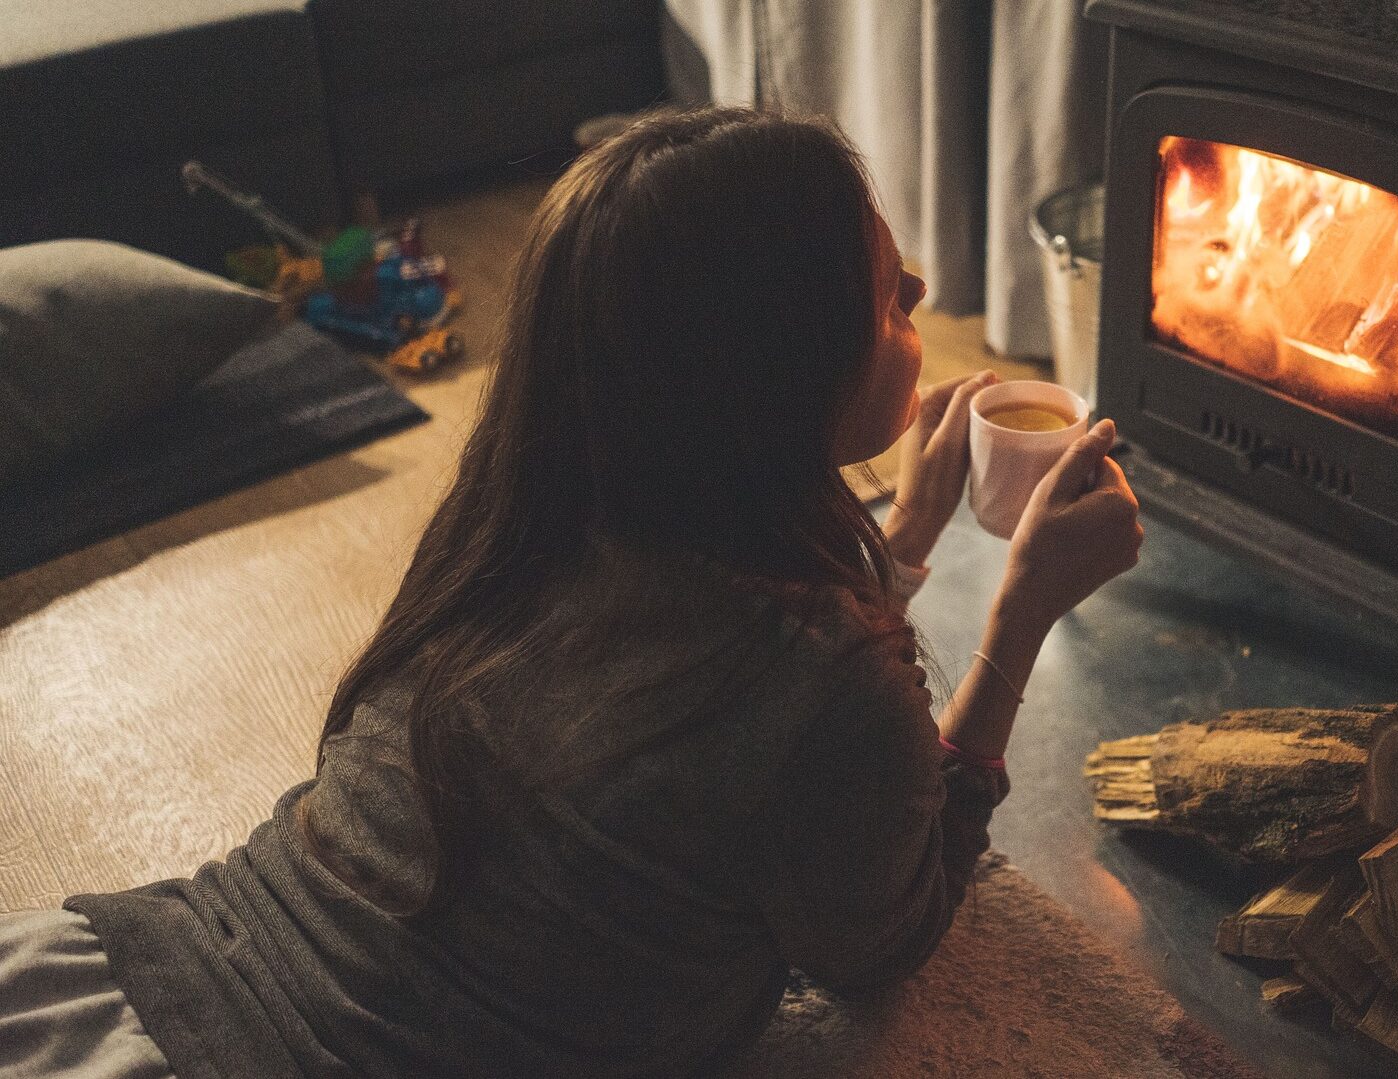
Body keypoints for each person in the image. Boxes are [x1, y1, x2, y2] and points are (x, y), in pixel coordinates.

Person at [0, 107, 1142, 1078]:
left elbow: (706, 694)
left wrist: (906, 532)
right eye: (885, 290)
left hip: (153, 972)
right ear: (773, 369)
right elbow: (888, 933)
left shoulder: (521, 520)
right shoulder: (833, 700)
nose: (924, 288)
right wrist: (1022, 613)